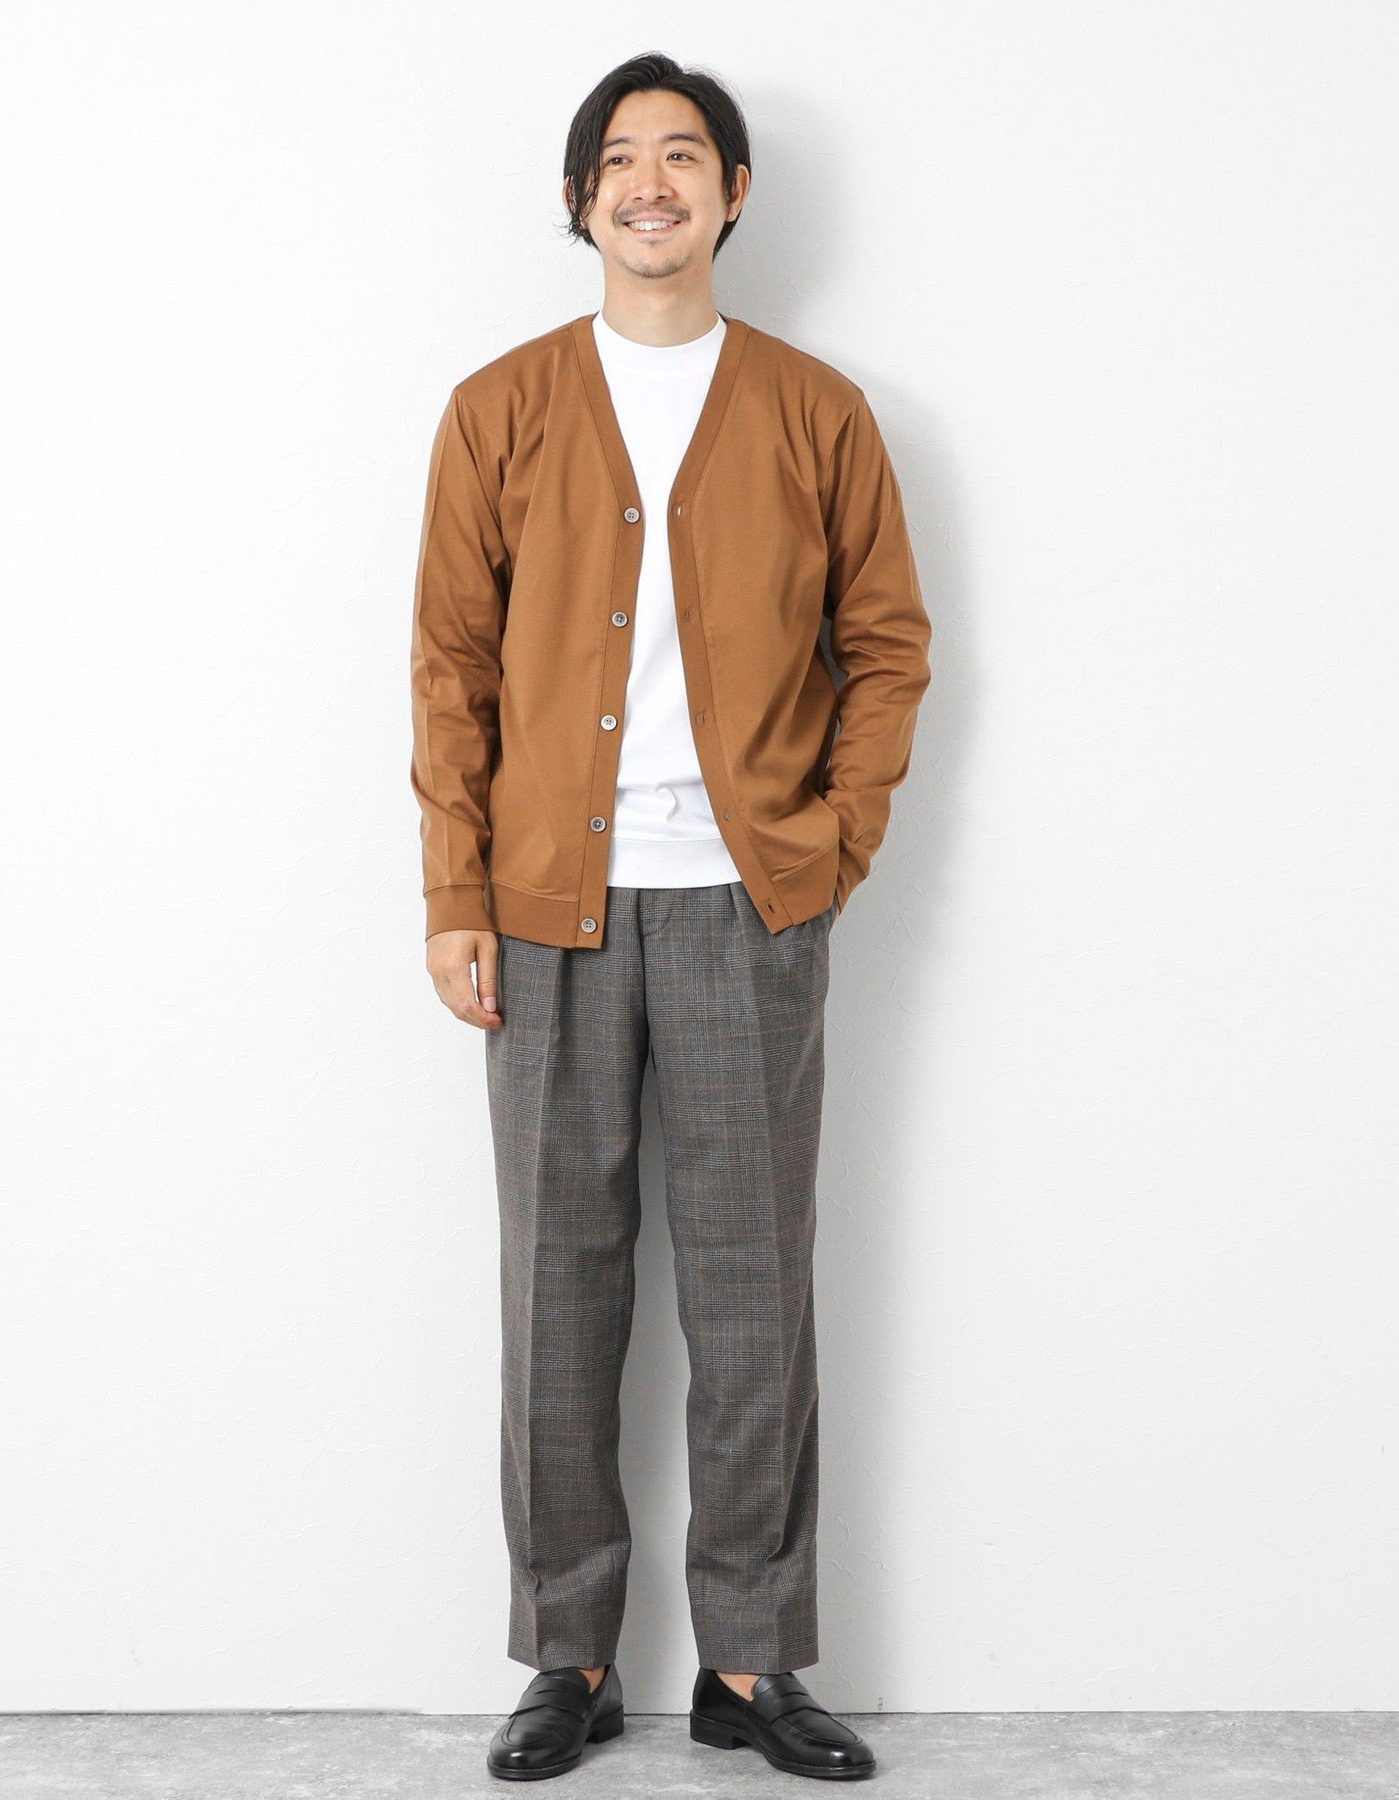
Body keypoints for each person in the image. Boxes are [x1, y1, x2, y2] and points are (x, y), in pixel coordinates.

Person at [410, 49, 932, 1784]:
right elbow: (451, 668)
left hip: (744, 907)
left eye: (684, 155)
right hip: (545, 916)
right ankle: (566, 1656)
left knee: (751, 1295)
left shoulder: (816, 411)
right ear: (580, 201)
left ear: (733, 194)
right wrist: (457, 892)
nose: (652, 183)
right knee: (556, 1296)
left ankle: (752, 1667)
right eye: (620, 159)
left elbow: (888, 645)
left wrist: (833, 844)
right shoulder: (498, 408)